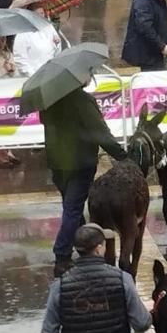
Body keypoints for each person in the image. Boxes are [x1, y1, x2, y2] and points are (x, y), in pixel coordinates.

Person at [42, 90, 128, 276]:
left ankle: (83, 246)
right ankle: (62, 255)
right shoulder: (83, 100)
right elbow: (99, 131)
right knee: (72, 209)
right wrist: (122, 156)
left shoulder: (50, 97)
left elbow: (46, 122)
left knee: (71, 207)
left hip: (58, 162)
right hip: (80, 162)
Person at [121, 0, 167, 71]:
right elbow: (145, 27)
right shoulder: (143, 1)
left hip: (156, 51)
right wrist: (161, 45)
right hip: (149, 54)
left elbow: (157, 13)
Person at [14, 5, 62, 76]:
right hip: (33, 76)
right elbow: (20, 59)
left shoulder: (49, 27)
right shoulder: (23, 33)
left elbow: (57, 53)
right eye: (37, 14)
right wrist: (32, 75)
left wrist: (57, 44)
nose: (40, 16)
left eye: (42, 13)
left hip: (50, 73)